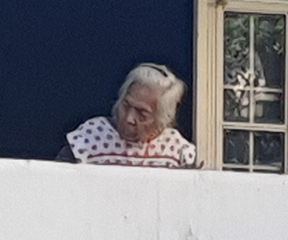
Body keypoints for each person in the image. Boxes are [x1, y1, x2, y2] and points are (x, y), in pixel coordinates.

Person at [60, 63, 195, 167]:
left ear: (162, 120)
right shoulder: (91, 136)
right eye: (126, 105)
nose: (129, 118)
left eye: (142, 113)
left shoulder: (177, 151)